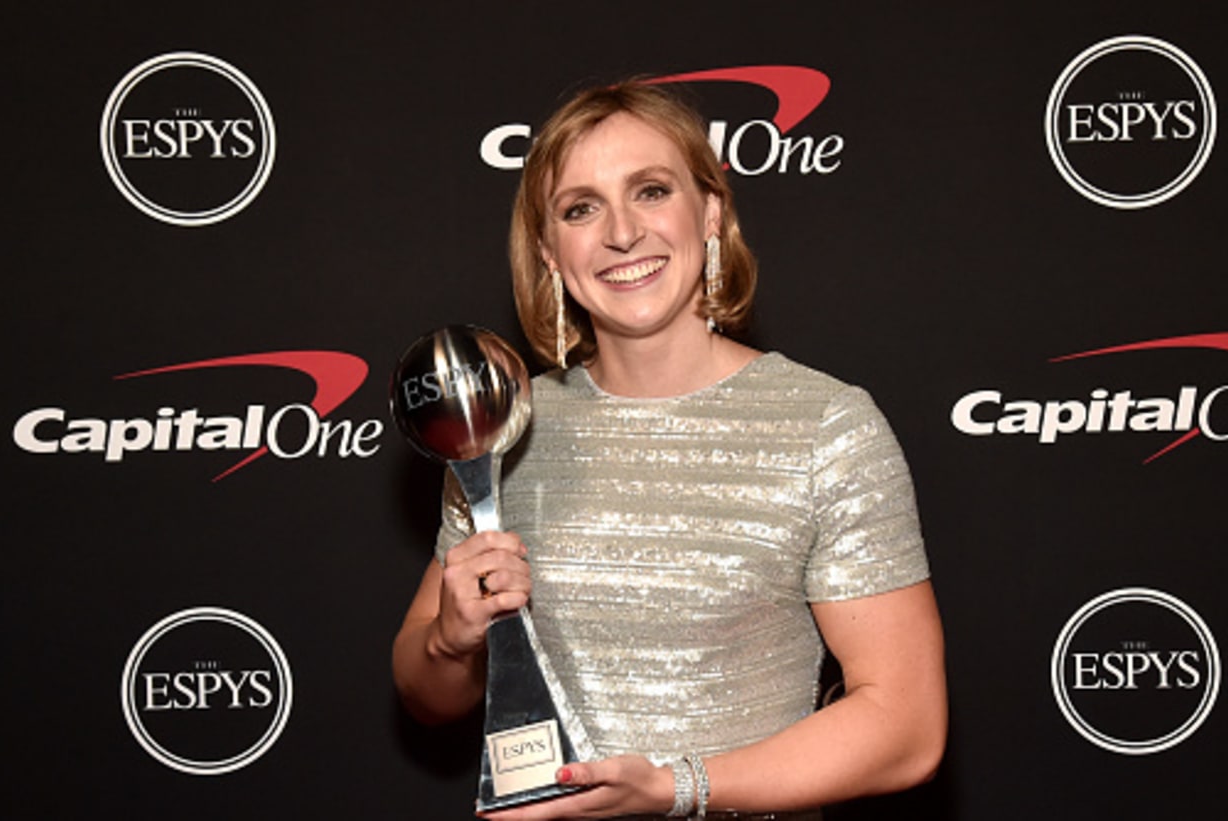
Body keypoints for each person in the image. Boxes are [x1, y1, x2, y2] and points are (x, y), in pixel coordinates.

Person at [392, 80, 947, 820]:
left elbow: (906, 727)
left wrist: (674, 786)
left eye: (651, 191)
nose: (622, 232)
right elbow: (427, 696)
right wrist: (451, 641)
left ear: (711, 211)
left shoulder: (824, 426)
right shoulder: (506, 426)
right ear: (549, 251)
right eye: (581, 208)